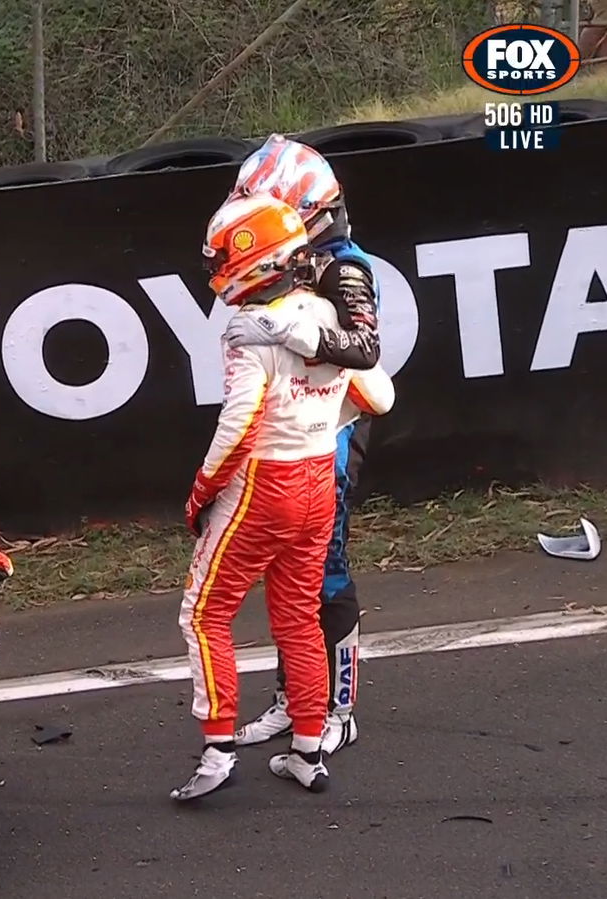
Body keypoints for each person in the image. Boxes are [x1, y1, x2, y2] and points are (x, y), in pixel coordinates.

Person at [171, 194, 393, 801]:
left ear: (251, 258)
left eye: (221, 256)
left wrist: (202, 489)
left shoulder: (247, 328)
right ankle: (307, 749)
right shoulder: (327, 315)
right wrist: (319, 415)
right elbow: (379, 396)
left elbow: (239, 422)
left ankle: (216, 751)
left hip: (262, 487)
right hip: (320, 482)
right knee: (298, 618)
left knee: (203, 613)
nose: (216, 269)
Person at [221, 134, 380, 757]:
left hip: (334, 433)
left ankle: (339, 706)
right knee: (286, 575)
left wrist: (290, 330)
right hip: (286, 436)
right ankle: (297, 699)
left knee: (326, 572)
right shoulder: (286, 263)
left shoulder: (347, 268)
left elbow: (366, 352)